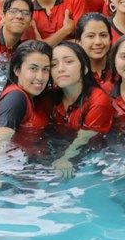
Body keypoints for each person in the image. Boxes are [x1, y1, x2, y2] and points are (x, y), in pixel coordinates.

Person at [49, 41, 114, 177]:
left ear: (84, 68)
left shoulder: (99, 101)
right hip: (60, 144)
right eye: (54, 64)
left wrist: (65, 159)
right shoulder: (51, 96)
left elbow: (84, 138)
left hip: (92, 155)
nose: (60, 69)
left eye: (68, 62)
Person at [0, 40, 53, 136]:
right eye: (33, 68)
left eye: (45, 69)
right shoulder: (15, 98)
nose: (40, 77)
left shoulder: (38, 97)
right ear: (17, 70)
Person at [75, 13, 113, 85]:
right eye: (91, 36)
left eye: (103, 35)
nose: (98, 42)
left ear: (110, 39)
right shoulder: (73, 74)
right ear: (78, 42)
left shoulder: (120, 69)